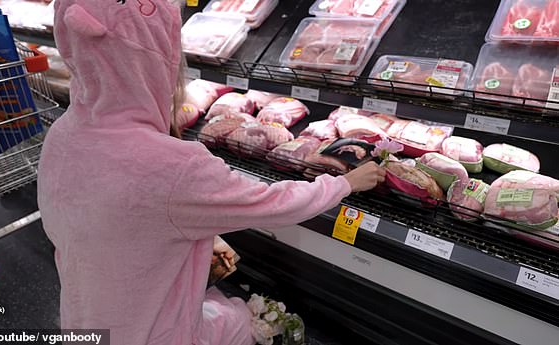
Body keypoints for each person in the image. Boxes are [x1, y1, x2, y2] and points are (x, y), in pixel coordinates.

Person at [36, 1, 386, 345]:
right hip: (153, 336)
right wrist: (343, 183)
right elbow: (276, 204)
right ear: (154, 60)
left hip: (83, 323)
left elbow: (105, 218)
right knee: (238, 319)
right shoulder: (172, 165)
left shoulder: (64, 135)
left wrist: (197, 232)